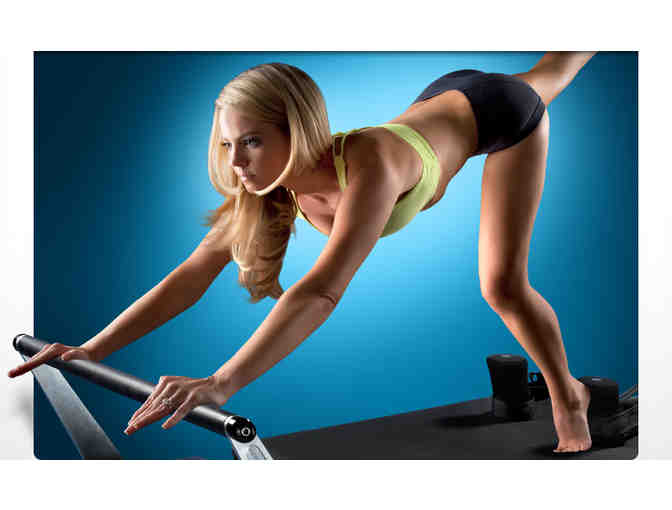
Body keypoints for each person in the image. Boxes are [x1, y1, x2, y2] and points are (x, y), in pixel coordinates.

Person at [8, 52, 598, 454]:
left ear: (297, 132)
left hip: (500, 112)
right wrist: (90, 350)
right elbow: (192, 274)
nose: (237, 162)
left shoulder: (370, 163)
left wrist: (221, 382)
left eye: (252, 141)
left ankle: (568, 395)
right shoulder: (267, 186)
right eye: (228, 144)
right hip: (443, 97)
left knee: (502, 286)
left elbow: (321, 291)